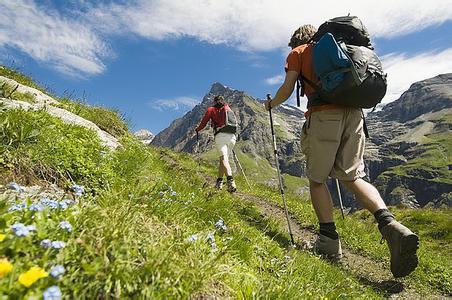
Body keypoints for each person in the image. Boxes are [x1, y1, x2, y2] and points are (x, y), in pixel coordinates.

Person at [264, 24, 419, 278]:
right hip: (355, 115)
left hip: (324, 115)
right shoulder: (341, 49)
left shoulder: (299, 53)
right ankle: (390, 224)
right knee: (352, 176)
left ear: (295, 40)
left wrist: (272, 104)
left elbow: (288, 87)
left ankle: (328, 244)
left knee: (317, 180)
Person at [195, 95, 237, 192]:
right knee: (223, 160)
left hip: (220, 136)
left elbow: (204, 122)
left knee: (223, 159)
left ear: (214, 102)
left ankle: (230, 181)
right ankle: (219, 183)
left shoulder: (211, 109)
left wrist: (197, 129)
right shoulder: (227, 108)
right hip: (232, 137)